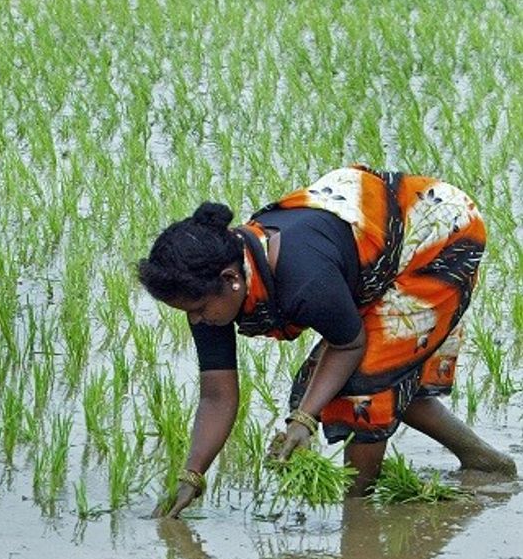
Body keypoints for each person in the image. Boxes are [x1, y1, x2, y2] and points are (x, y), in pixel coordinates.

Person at [138, 164, 515, 518]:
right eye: (187, 311)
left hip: (437, 237)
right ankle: (485, 461)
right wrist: (192, 476)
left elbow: (349, 344)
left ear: (231, 279)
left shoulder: (303, 280)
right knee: (385, 370)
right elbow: (217, 395)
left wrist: (304, 418)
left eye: (199, 309)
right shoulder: (210, 292)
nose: (196, 321)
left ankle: (358, 508)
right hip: (364, 242)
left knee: (364, 383)